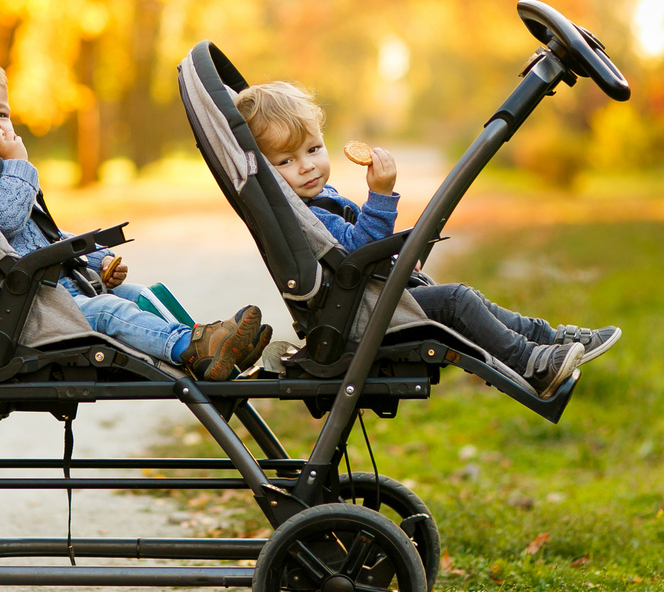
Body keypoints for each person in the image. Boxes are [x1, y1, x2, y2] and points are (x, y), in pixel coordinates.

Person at [233, 81, 620, 398]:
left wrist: (389, 261)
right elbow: (356, 249)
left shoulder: (315, 200)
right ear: (266, 172)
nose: (307, 166)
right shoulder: (307, 215)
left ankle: (547, 339)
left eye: (314, 149)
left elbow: (350, 252)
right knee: (456, 301)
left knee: (465, 299)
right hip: (359, 317)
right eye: (286, 161)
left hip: (363, 302)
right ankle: (532, 364)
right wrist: (381, 195)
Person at [0, 56, 269, 380]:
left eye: (1, 113)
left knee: (138, 294)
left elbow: (43, 236)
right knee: (109, 311)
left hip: (60, 296)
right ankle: (190, 348)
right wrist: (19, 163)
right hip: (32, 315)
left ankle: (207, 347)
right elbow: (7, 218)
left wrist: (98, 258)